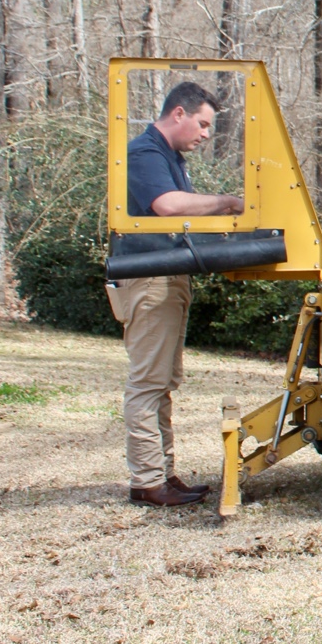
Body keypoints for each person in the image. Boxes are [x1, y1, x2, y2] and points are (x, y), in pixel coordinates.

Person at [113, 82, 243, 506]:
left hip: (167, 277)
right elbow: (168, 206)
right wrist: (227, 202)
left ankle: (163, 474)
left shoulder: (169, 158)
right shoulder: (144, 153)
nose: (205, 134)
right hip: (148, 279)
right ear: (178, 114)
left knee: (162, 382)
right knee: (147, 383)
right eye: (202, 124)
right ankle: (148, 482)